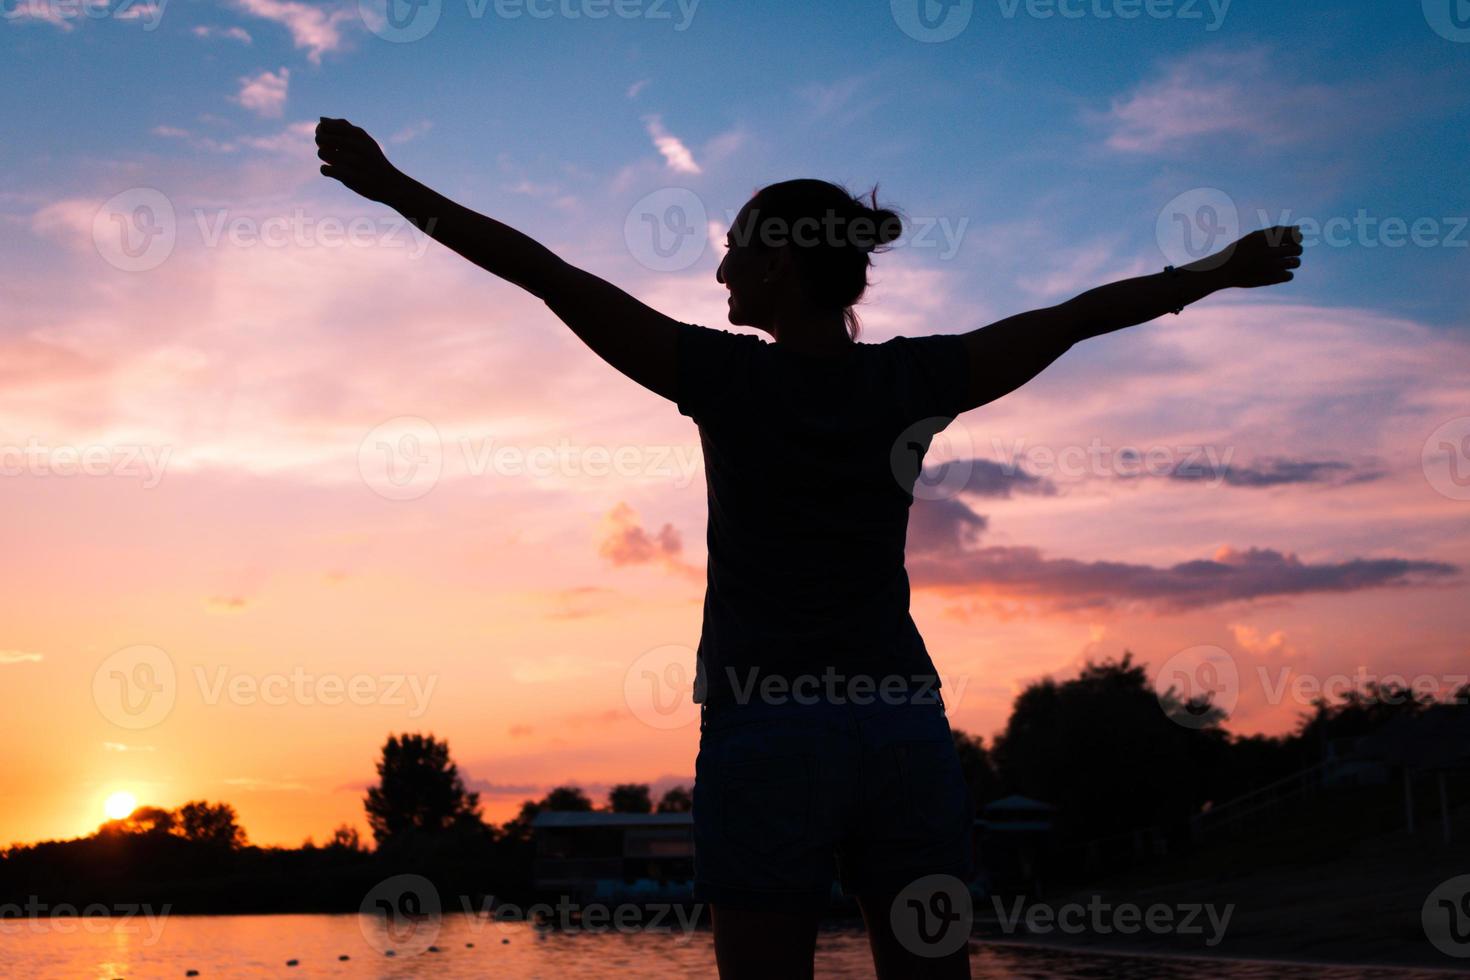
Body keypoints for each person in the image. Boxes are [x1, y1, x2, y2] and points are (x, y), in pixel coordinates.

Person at [314, 117, 1304, 979]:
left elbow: (545, 275)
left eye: (733, 251)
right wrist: (1221, 271)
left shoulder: (723, 375)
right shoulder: (915, 378)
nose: (718, 272)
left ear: (779, 262)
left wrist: (391, 184)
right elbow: (1077, 317)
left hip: (769, 733)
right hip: (903, 733)